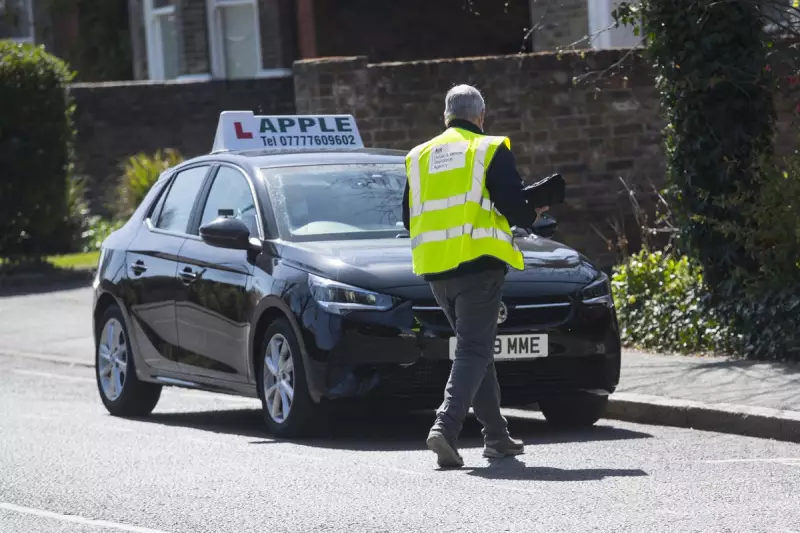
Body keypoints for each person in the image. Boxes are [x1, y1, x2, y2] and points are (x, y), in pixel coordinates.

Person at [402, 84, 548, 468]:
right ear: (480, 117)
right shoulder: (489, 148)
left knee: (475, 350)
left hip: (436, 271)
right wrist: (535, 214)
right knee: (474, 350)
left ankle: (496, 437)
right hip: (479, 267)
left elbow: (407, 217)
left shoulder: (418, 157)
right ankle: (445, 427)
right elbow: (513, 206)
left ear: (446, 118)